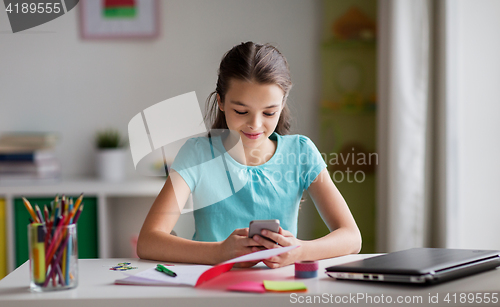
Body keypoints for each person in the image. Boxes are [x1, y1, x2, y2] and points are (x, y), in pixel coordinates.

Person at [137, 41, 361, 268]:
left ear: (282, 104)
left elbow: (352, 237)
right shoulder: (198, 154)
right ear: (221, 102)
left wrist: (298, 251)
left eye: (269, 112)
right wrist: (219, 253)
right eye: (241, 111)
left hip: (280, 290)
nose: (255, 124)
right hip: (210, 291)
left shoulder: (301, 152)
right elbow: (148, 241)